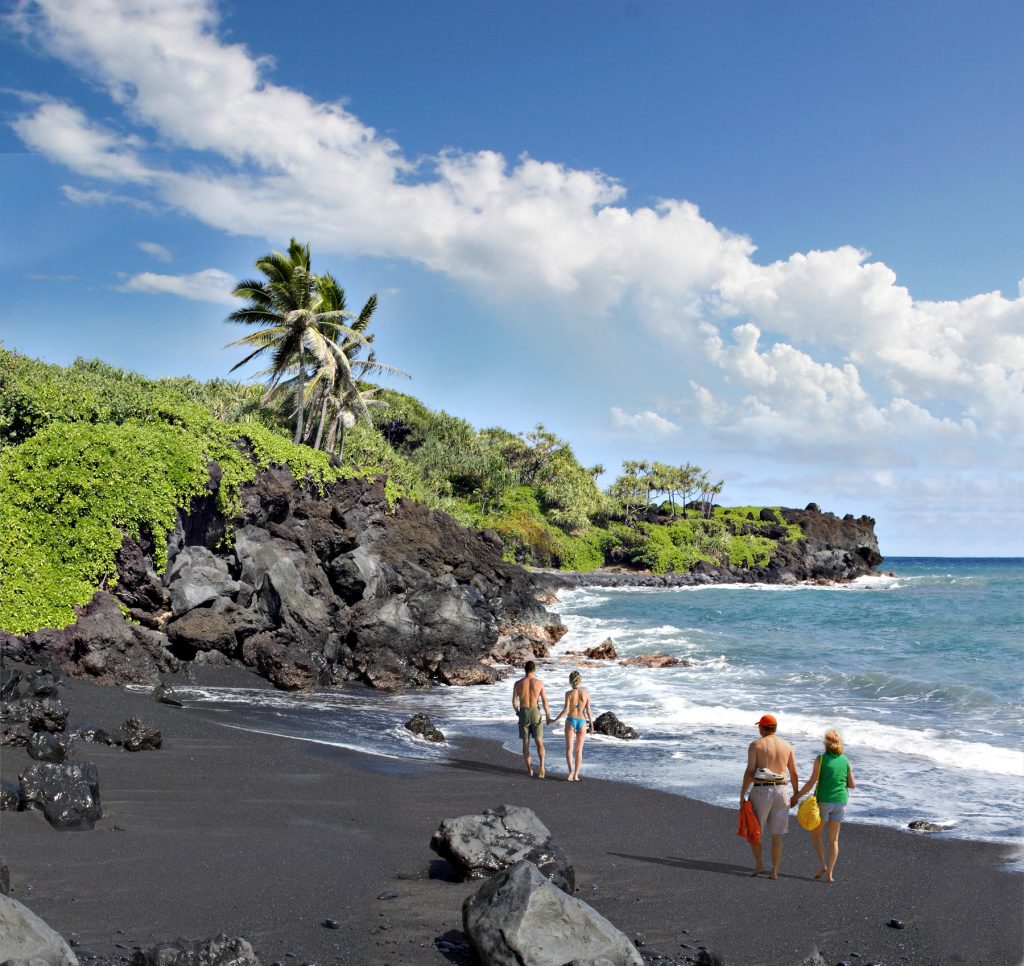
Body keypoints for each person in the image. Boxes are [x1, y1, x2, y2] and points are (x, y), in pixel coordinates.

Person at [740, 713, 799, 879]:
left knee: (755, 831)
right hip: (782, 790)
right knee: (777, 835)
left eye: (759, 726)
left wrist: (742, 794)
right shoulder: (787, 745)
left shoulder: (756, 745)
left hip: (762, 790)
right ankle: (774, 871)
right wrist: (795, 795)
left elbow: (750, 772)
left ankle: (759, 865)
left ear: (762, 728)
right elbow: (794, 773)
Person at [793, 729, 856, 883]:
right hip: (841, 801)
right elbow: (852, 785)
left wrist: (796, 797)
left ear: (825, 744)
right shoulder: (845, 760)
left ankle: (823, 865)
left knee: (817, 835)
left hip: (824, 801)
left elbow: (811, 783)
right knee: (834, 840)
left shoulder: (820, 759)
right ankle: (830, 875)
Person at [551, 670, 593, 782]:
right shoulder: (586, 694)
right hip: (582, 722)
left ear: (570, 681)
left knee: (569, 749)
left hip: (570, 720)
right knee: (579, 750)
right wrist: (592, 725)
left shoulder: (568, 694)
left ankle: (570, 772)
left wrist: (555, 720)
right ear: (580, 680)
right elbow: (588, 711)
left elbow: (566, 710)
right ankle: (576, 775)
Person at [512, 660, 550, 778]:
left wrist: (517, 711)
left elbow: (514, 702)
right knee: (539, 741)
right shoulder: (539, 683)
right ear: (534, 669)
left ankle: (529, 769)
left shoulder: (518, 683)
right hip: (535, 712)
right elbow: (544, 701)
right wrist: (548, 715)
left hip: (524, 712)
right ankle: (542, 766)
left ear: (525, 669)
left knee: (525, 743)